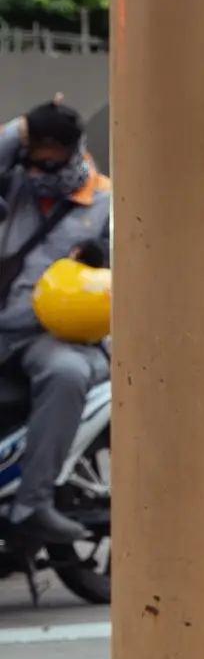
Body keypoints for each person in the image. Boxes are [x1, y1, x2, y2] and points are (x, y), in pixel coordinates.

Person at [0, 101, 109, 547]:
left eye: (51, 156)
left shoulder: (103, 202)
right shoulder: (14, 187)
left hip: (49, 338)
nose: (42, 166)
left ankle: (33, 504)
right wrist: (20, 129)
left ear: (70, 150)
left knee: (67, 373)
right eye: (34, 154)